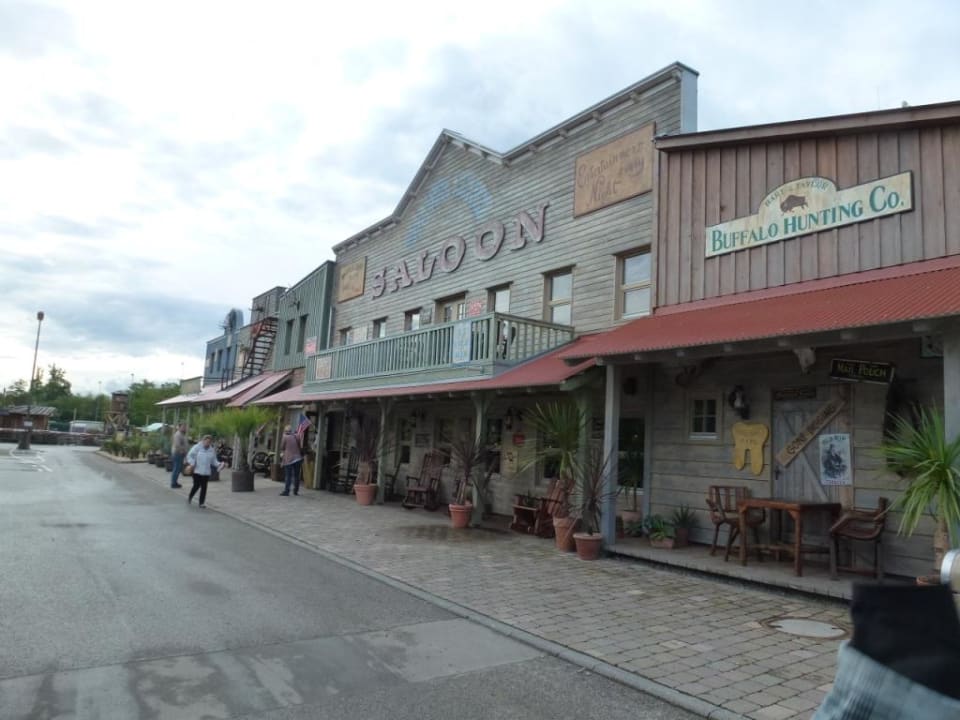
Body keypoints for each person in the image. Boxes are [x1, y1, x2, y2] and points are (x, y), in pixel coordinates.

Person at [185, 434, 225, 508]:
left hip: (206, 472)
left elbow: (214, 461)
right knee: (196, 486)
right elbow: (190, 456)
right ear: (203, 441)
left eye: (209, 442)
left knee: (204, 487)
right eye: (206, 441)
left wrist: (220, 464)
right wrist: (192, 463)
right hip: (197, 471)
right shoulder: (197, 447)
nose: (207, 443)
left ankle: (201, 503)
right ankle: (190, 497)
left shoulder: (211, 450)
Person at [279, 424, 303, 496]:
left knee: (288, 476)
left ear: (285, 431)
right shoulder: (297, 436)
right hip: (298, 458)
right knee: (296, 476)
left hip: (288, 459)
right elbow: (299, 446)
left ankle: (287, 491)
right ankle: (296, 491)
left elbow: (282, 447)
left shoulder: (285, 437)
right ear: (291, 430)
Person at [170, 423, 188, 488]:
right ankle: (173, 483)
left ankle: (175, 482)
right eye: (183, 427)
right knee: (176, 468)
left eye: (185, 427)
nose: (184, 428)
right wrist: (182, 450)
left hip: (180, 453)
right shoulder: (178, 435)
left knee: (178, 468)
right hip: (177, 453)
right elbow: (177, 445)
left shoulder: (182, 434)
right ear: (179, 427)